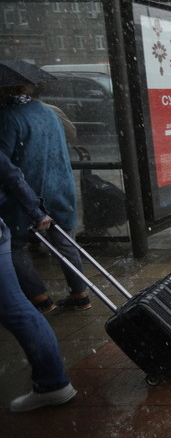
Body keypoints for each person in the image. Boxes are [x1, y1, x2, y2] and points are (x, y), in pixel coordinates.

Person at [0, 83, 91, 313]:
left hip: (28, 190)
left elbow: (4, 162)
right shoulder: (47, 111)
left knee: (15, 245)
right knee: (65, 243)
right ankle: (80, 294)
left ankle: (40, 297)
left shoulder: (8, 118)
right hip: (59, 184)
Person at [0, 150, 77, 412]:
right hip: (45, 196)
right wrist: (35, 209)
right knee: (15, 308)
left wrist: (34, 210)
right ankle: (52, 382)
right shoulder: (41, 115)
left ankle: (52, 382)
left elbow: (10, 171)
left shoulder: (13, 120)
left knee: (14, 309)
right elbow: (11, 173)